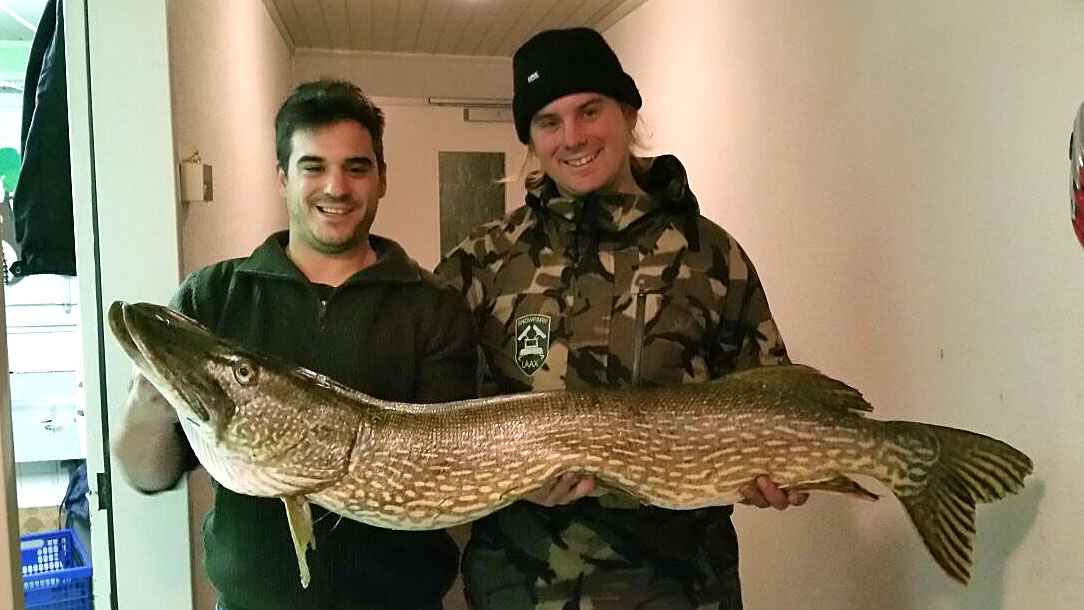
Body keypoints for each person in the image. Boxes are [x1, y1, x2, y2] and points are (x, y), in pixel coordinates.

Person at [435, 28, 805, 610]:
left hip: (682, 591)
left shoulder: (710, 254)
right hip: (520, 589)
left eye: (590, 110)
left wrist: (775, 470)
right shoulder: (480, 262)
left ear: (629, 113)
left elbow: (769, 394)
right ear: (531, 139)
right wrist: (510, 478)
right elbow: (435, 416)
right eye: (549, 122)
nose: (573, 137)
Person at [113, 80, 476, 610]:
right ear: (282, 178)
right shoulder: (211, 298)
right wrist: (147, 406)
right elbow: (147, 474)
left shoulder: (434, 307)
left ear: (382, 179)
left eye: (356, 168)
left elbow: (450, 471)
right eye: (313, 167)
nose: (336, 187)